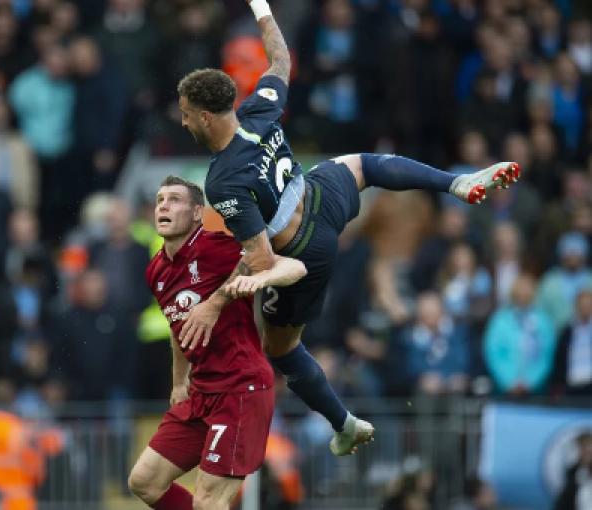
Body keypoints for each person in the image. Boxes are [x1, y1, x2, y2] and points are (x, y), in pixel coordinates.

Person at [177, 0, 521, 456]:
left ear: (204, 116)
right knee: (363, 163)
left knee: (280, 348)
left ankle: (344, 424)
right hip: (319, 195)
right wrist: (260, 7)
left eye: (184, 112)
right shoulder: (258, 110)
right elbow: (281, 58)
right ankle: (454, 182)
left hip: (303, 248)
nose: (181, 121)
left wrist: (218, 298)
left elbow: (261, 258)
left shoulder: (222, 181)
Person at [128, 175, 308, 510]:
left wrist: (240, 289)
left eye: (175, 200)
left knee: (209, 503)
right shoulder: (156, 270)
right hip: (202, 393)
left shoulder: (216, 248)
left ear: (197, 213)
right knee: (145, 483)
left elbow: (295, 268)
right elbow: (177, 324)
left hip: (241, 389)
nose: (163, 205)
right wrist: (179, 381)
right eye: (159, 200)